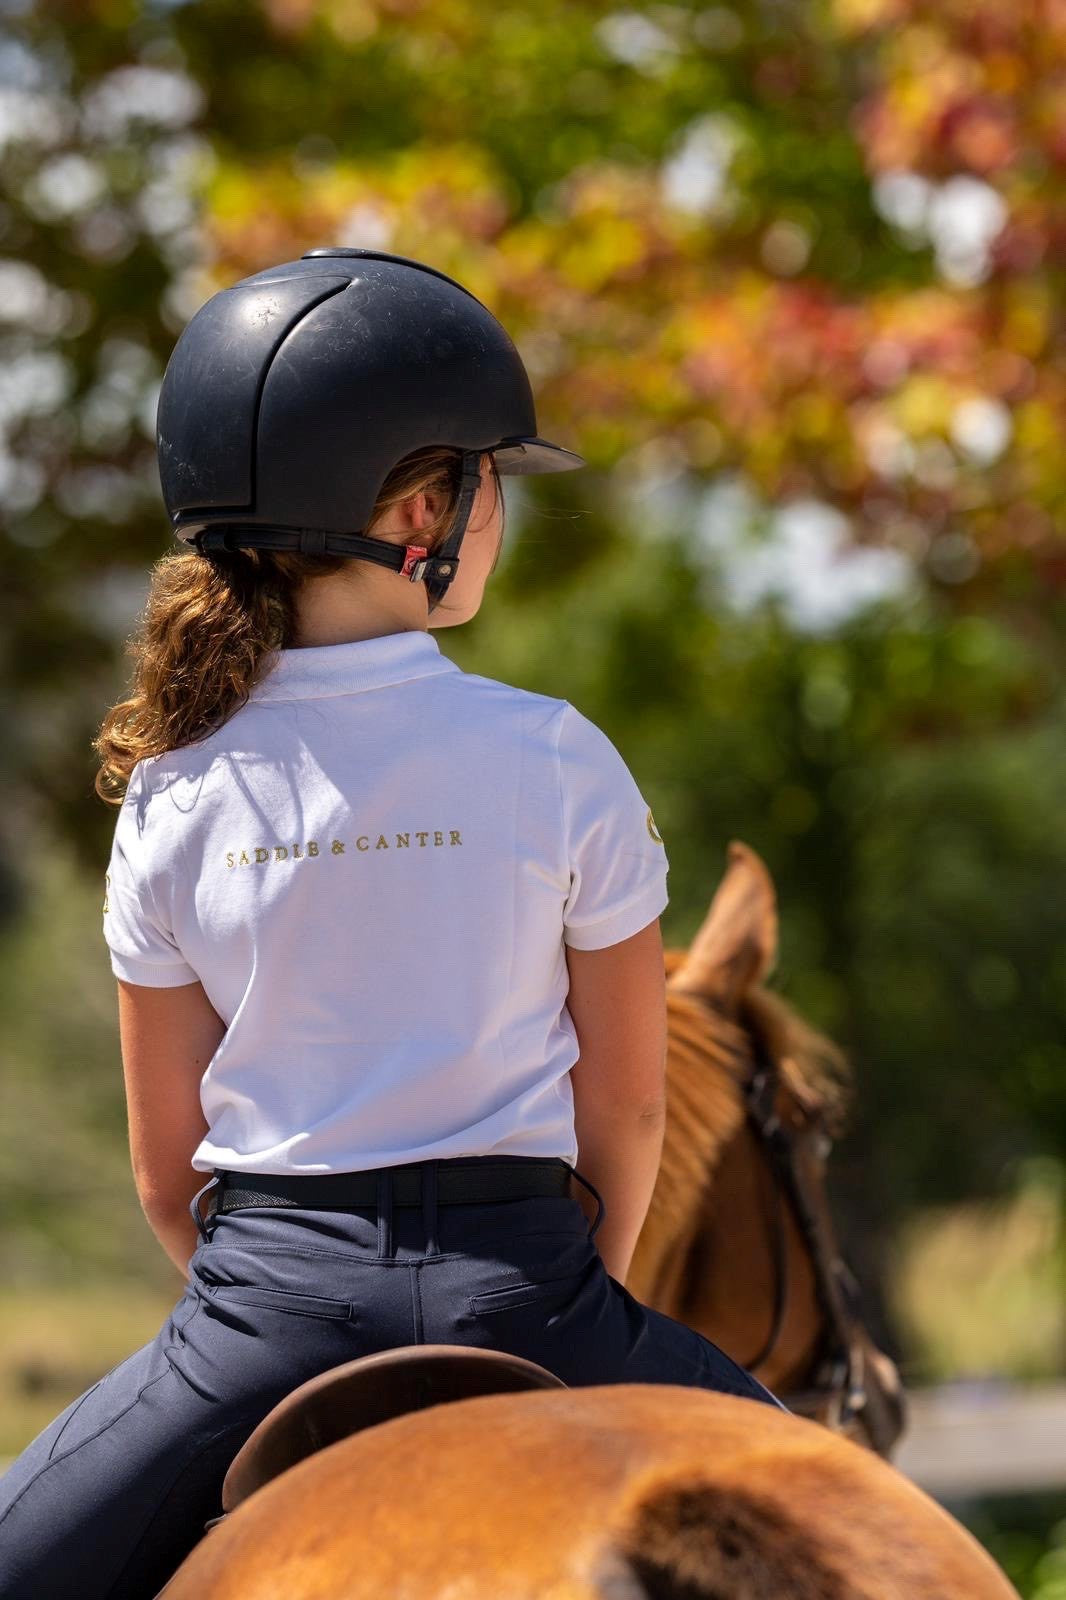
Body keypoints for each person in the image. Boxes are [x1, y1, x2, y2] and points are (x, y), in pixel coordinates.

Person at [0, 247, 783, 1600]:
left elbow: (161, 1166)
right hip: (527, 1282)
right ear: (427, 507)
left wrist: (269, 1306)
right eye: (493, 488)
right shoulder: (556, 754)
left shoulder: (175, 794)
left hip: (266, 1308)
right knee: (862, 1534)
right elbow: (630, 1113)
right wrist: (561, 1306)